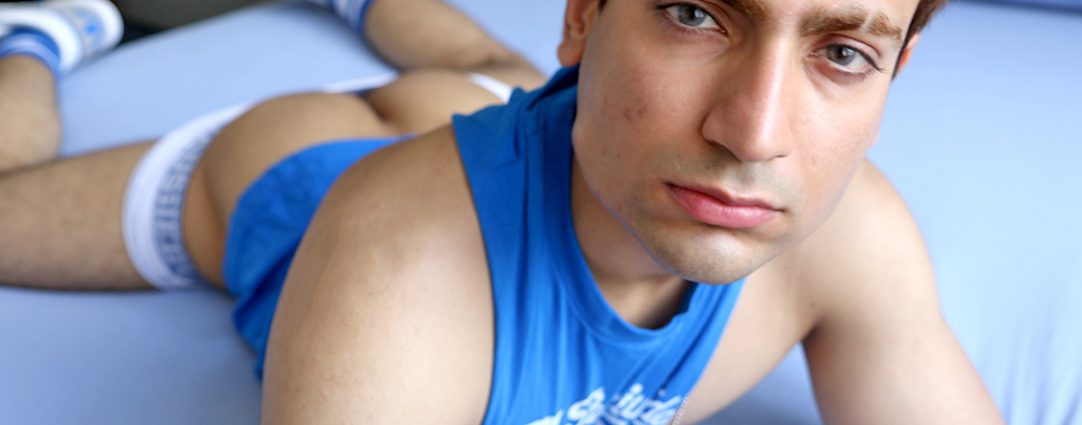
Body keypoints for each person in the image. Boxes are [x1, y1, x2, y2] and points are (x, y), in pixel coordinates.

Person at [0, 0, 1005, 423]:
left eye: (843, 52)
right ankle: (37, 40)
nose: (754, 134)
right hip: (283, 169)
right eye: (694, 12)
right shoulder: (393, 268)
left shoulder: (854, 236)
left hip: (528, 113)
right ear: (586, 11)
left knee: (485, 68)